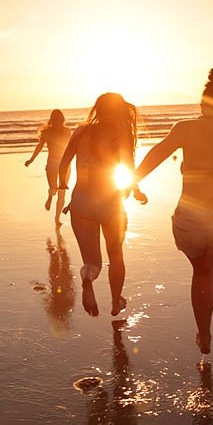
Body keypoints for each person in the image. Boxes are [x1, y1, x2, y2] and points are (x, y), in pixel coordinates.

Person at [134, 68, 213, 406]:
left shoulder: (185, 128)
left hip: (191, 218)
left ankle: (203, 335)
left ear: (202, 103)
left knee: (200, 272)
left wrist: (130, 182)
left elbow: (156, 155)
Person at [58, 93, 144, 317]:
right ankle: (116, 302)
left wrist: (62, 185)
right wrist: (136, 190)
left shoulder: (80, 131)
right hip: (109, 201)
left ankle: (87, 278)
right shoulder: (120, 133)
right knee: (116, 255)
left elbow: (64, 162)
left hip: (81, 202)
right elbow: (127, 165)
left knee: (92, 262)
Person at [25, 109, 73, 221]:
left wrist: (31, 160)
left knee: (61, 191)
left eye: (58, 120)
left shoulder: (64, 131)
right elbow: (39, 147)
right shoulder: (49, 133)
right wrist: (31, 160)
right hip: (58, 164)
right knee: (56, 189)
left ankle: (57, 217)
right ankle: (51, 196)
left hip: (62, 164)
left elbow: (72, 146)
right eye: (55, 120)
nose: (57, 122)